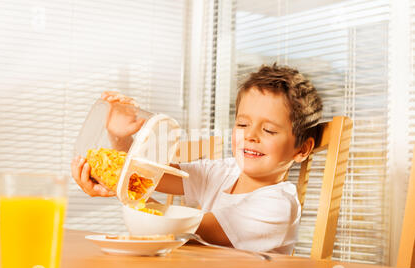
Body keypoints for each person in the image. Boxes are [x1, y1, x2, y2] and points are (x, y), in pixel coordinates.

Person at [71, 63, 323, 254]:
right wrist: (119, 138)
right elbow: (149, 176)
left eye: (268, 130)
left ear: (301, 149)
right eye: (243, 124)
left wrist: (120, 186)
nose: (251, 136)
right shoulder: (224, 171)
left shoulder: (278, 206)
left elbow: (177, 223)